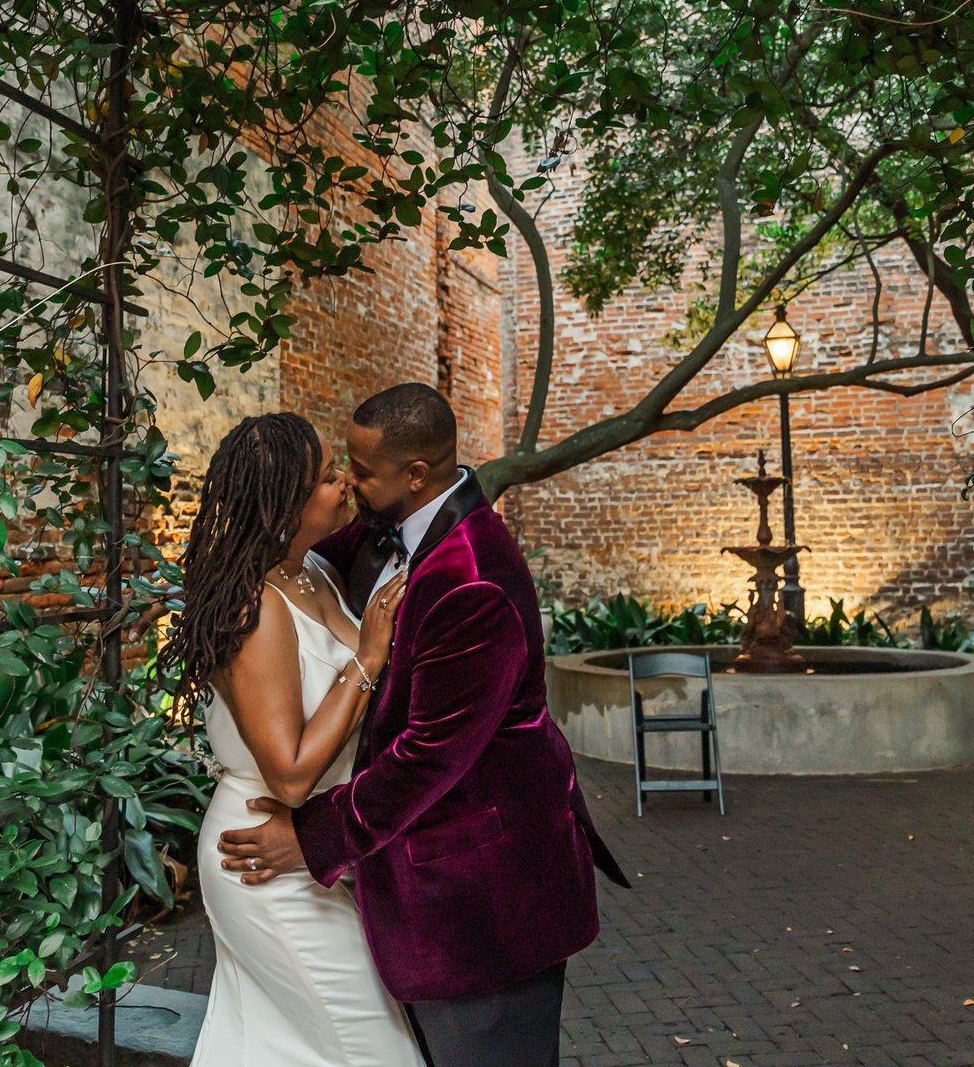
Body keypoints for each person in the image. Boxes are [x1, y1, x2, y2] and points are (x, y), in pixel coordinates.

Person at [217, 383, 627, 1067]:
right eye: (335, 470)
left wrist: (311, 836)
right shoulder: (385, 530)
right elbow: (291, 554)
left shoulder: (472, 580)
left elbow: (427, 755)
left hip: (484, 900)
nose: (347, 482)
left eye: (360, 471)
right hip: (407, 889)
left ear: (414, 475)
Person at [163, 411, 424, 1067]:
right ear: (285, 502)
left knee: (275, 1047)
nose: (344, 487)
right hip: (264, 856)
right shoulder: (257, 608)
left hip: (309, 851)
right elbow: (290, 774)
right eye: (330, 478)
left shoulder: (313, 573)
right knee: (373, 1049)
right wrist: (368, 655)